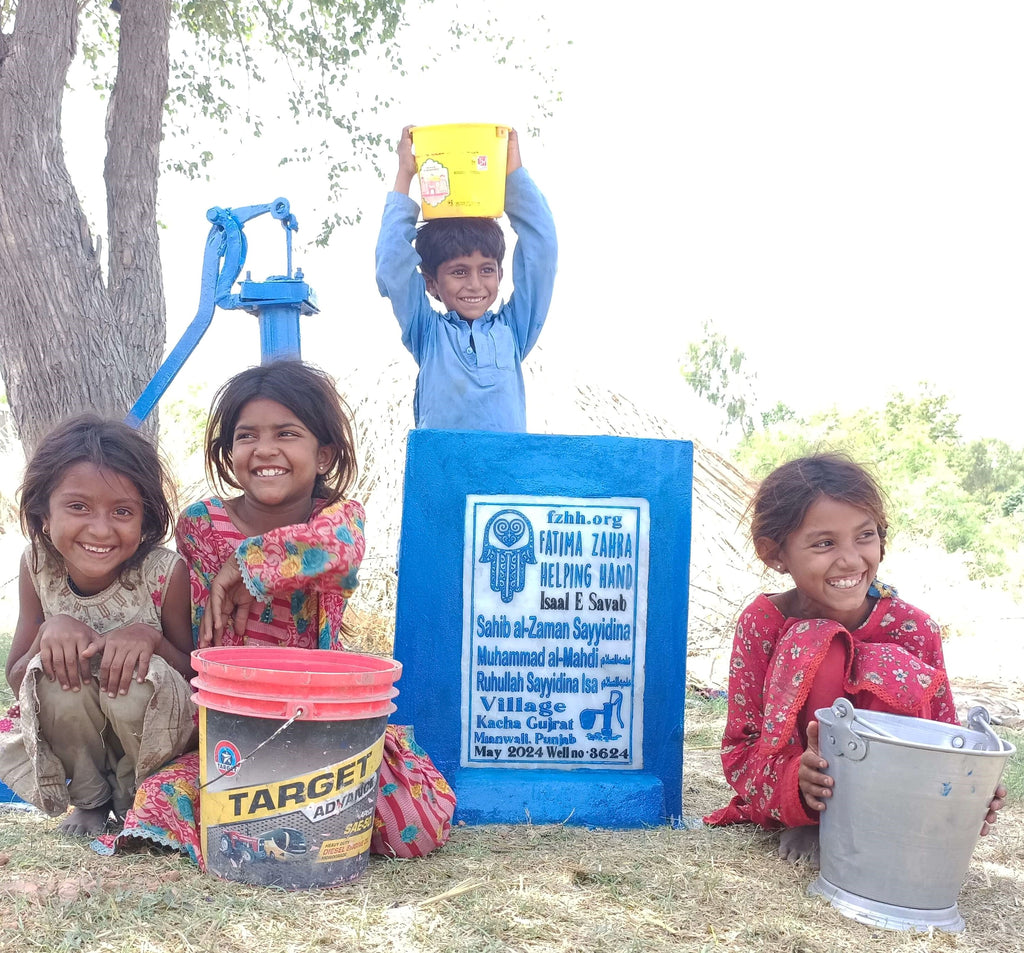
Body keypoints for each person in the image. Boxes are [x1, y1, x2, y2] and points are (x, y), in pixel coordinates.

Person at [95, 361, 455, 864]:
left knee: (411, 828)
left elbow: (340, 549)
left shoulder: (336, 520)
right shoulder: (202, 525)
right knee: (160, 803)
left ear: (323, 452)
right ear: (229, 452)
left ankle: (284, 812)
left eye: (287, 433)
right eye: (247, 436)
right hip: (226, 728)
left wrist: (245, 566)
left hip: (322, 725)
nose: (265, 450)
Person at [704, 453, 1006, 866]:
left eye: (864, 536)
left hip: (892, 800)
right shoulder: (763, 624)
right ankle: (813, 817)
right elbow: (742, 746)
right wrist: (797, 782)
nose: (850, 559)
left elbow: (940, 733)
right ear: (775, 554)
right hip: (803, 790)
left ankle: (887, 820)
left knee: (882, 663)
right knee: (816, 642)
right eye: (824, 543)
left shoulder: (912, 628)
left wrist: (963, 787)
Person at [0, 415, 196, 836]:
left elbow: (192, 680)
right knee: (51, 681)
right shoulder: (38, 566)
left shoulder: (164, 573)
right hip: (79, 730)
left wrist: (152, 640)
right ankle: (90, 800)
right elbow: (20, 682)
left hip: (151, 731)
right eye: (78, 506)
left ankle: (133, 800)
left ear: (144, 522)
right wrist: (46, 635)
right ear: (43, 515)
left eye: (122, 511)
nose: (101, 528)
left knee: (134, 685)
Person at [375, 124, 557, 432]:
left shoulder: (514, 330)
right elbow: (392, 265)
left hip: (504, 477)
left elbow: (542, 251)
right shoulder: (427, 332)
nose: (475, 283)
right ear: (431, 283)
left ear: (500, 274)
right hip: (444, 476)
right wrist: (405, 174)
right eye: (459, 272)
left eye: (486, 270)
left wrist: (513, 174)